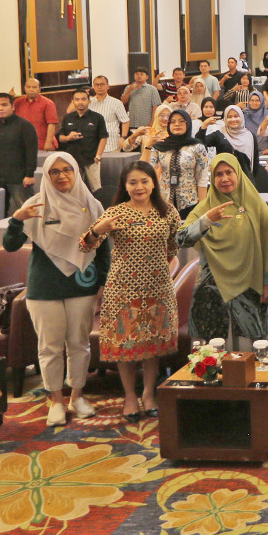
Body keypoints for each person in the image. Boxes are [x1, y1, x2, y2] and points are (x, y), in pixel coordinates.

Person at [5, 153, 108, 425]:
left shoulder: (92, 204)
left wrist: (103, 284)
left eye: (67, 170)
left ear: (76, 172)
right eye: (54, 171)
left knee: (79, 344)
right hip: (44, 287)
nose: (62, 175)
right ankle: (56, 401)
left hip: (82, 284)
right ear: (47, 176)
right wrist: (16, 220)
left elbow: (103, 249)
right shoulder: (36, 204)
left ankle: (77, 396)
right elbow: (10, 245)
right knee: (49, 347)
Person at [81, 161, 180, 420]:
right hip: (123, 289)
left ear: (153, 183)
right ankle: (130, 396)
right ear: (124, 186)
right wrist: (97, 230)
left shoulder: (167, 211)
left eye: (144, 181)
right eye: (133, 182)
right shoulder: (116, 212)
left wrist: (155, 269)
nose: (139, 187)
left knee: (152, 344)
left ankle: (148, 393)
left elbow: (173, 247)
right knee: (125, 345)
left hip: (158, 288)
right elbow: (85, 246)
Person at [178, 153, 268, 353]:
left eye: (229, 172)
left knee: (249, 346)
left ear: (238, 174)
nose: (224, 178)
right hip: (212, 288)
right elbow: (181, 239)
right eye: (218, 174)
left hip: (250, 286)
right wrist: (206, 220)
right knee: (213, 349)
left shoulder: (255, 204)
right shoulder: (205, 208)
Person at [148, 110, 209, 217]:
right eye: (173, 121)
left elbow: (202, 179)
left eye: (181, 121)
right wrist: (147, 146)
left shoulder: (197, 147)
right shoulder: (160, 146)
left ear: (188, 124)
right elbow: (145, 170)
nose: (177, 124)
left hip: (190, 203)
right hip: (164, 203)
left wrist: (202, 208)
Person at [57, 88, 109, 190]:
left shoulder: (97, 117)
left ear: (89, 101)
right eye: (77, 99)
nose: (80, 102)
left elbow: (103, 137)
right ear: (73, 101)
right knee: (73, 188)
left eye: (83, 99)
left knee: (96, 188)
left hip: (91, 159)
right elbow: (61, 138)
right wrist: (68, 137)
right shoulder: (68, 118)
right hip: (72, 160)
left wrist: (98, 156)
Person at [13, 77, 59, 151]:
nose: (31, 89)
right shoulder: (18, 102)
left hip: (42, 143)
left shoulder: (48, 103)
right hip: (23, 143)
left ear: (39, 89)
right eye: (28, 87)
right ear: (24, 88)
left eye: (34, 87)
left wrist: (48, 142)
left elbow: (51, 124)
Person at [89, 76, 131, 153]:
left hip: (112, 145)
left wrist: (123, 137)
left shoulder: (116, 103)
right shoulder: (89, 103)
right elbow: (70, 110)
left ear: (108, 86)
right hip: (93, 146)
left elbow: (125, 121)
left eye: (102, 84)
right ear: (93, 87)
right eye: (97, 84)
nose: (99, 87)